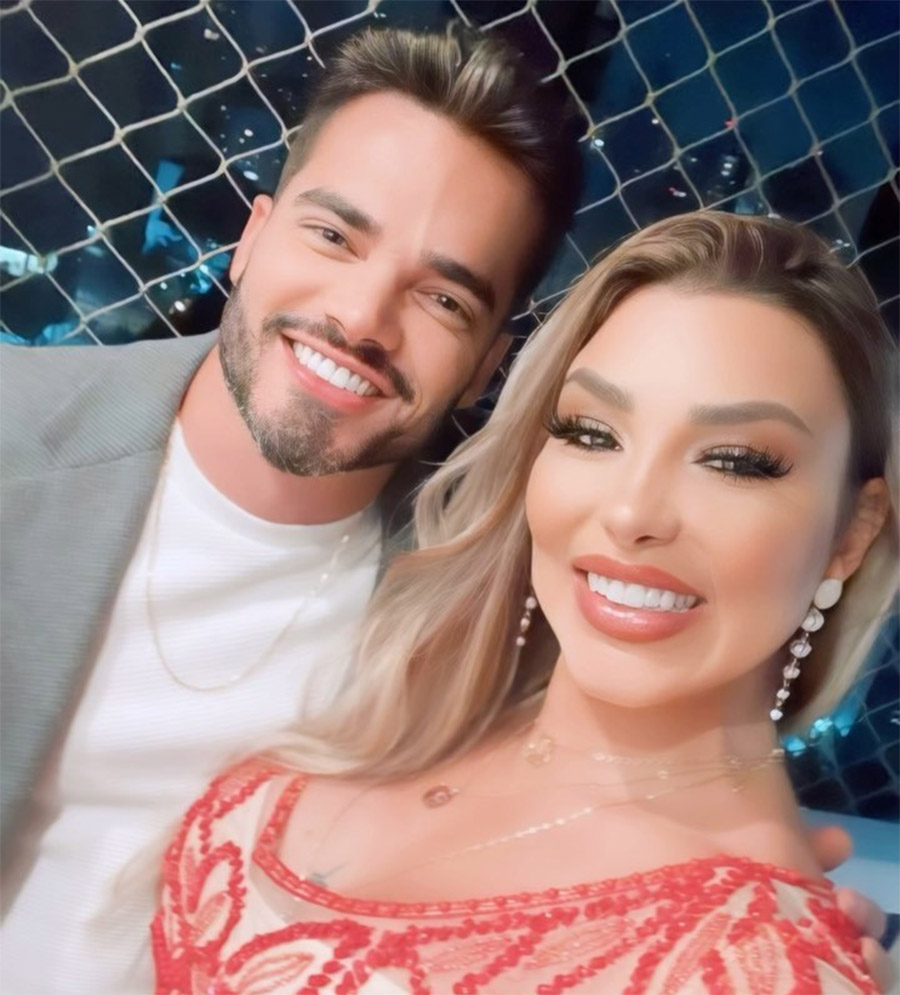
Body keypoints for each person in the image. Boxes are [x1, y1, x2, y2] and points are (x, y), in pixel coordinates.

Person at [152, 212, 898, 995]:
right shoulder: (403, 714)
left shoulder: (763, 968)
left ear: (852, 532)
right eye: (592, 433)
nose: (631, 512)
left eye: (735, 461)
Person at [0, 25, 582, 994]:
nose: (360, 318)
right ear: (251, 239)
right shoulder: (17, 435)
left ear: (488, 366)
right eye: (334, 236)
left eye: (442, 298)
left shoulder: (475, 614)